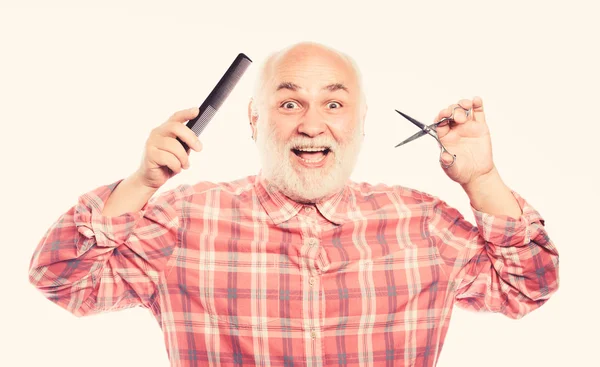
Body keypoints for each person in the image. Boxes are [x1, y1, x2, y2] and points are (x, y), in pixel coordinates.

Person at [28, 41, 559, 367]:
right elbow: (64, 282)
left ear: (360, 121)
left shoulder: (421, 222)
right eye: (288, 103)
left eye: (333, 102)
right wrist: (141, 184)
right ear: (255, 120)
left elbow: (527, 287)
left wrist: (483, 180)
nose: (311, 123)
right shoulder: (185, 220)